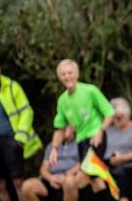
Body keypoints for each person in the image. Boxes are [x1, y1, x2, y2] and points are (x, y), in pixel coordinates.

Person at [49, 59, 114, 201]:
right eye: (63, 74)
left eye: (70, 73)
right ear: (60, 77)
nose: (67, 76)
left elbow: (109, 112)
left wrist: (100, 131)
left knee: (83, 176)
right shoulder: (62, 100)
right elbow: (59, 128)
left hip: (96, 138)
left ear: (77, 74)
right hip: (81, 141)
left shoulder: (90, 91)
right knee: (95, 179)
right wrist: (54, 148)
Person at [0, 63, 43, 201]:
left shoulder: (12, 86)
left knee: (18, 182)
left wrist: (20, 137)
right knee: (0, 185)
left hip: (12, 139)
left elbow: (27, 111)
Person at [104, 98, 132, 201]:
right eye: (114, 118)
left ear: (127, 114)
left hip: (127, 165)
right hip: (107, 166)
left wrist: (123, 158)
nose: (116, 121)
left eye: (119, 117)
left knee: (122, 174)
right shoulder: (108, 129)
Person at [21, 125, 79, 201]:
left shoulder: (79, 144)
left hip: (70, 178)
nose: (63, 129)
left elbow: (82, 164)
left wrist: (66, 175)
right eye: (61, 127)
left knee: (69, 182)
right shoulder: (52, 146)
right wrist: (51, 178)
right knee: (27, 186)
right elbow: (43, 168)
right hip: (51, 179)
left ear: (74, 128)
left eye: (66, 126)